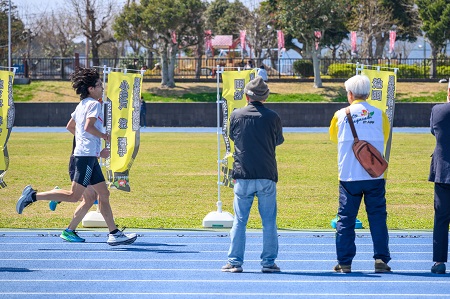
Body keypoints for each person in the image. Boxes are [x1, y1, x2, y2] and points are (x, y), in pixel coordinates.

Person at [16, 67, 137, 246]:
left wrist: (93, 149)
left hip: (88, 156)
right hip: (85, 157)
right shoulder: (94, 104)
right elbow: (88, 127)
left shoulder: (81, 105)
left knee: (104, 193)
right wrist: (103, 137)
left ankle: (113, 233)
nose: (102, 88)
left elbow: (71, 126)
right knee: (74, 196)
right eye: (99, 85)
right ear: (90, 89)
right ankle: (33, 196)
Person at [329, 74, 391, 273]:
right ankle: (381, 260)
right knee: (378, 218)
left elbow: (333, 137)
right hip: (374, 175)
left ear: (350, 94)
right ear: (368, 94)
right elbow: (385, 135)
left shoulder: (340, 115)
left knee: (346, 220)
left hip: (349, 176)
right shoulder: (380, 114)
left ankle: (344, 262)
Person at [222, 76, 284, 273]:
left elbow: (232, 136)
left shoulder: (236, 115)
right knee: (268, 221)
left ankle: (234, 262)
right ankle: (268, 262)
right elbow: (278, 141)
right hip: (266, 173)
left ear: (247, 96)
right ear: (265, 98)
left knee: (239, 220)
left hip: (243, 174)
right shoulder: (273, 117)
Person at [428, 93, 450, 274]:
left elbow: (433, 131)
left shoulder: (438, 110)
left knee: (441, 219)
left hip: (443, 172)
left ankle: (439, 262)